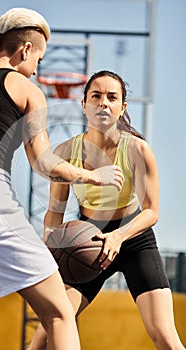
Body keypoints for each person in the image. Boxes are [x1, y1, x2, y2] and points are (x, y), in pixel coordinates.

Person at [0, 9, 125, 350]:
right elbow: (45, 164)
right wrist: (94, 176)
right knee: (59, 312)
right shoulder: (26, 89)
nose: (36, 68)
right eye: (39, 60)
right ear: (25, 50)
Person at [29, 70, 186, 350]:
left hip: (134, 238)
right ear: (84, 104)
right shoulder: (65, 152)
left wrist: (118, 237)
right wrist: (49, 250)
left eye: (112, 97)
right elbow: (54, 213)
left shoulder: (138, 149)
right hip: (86, 243)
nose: (103, 103)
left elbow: (151, 211)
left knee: (165, 336)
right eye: (96, 96)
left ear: (122, 107)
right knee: (44, 335)